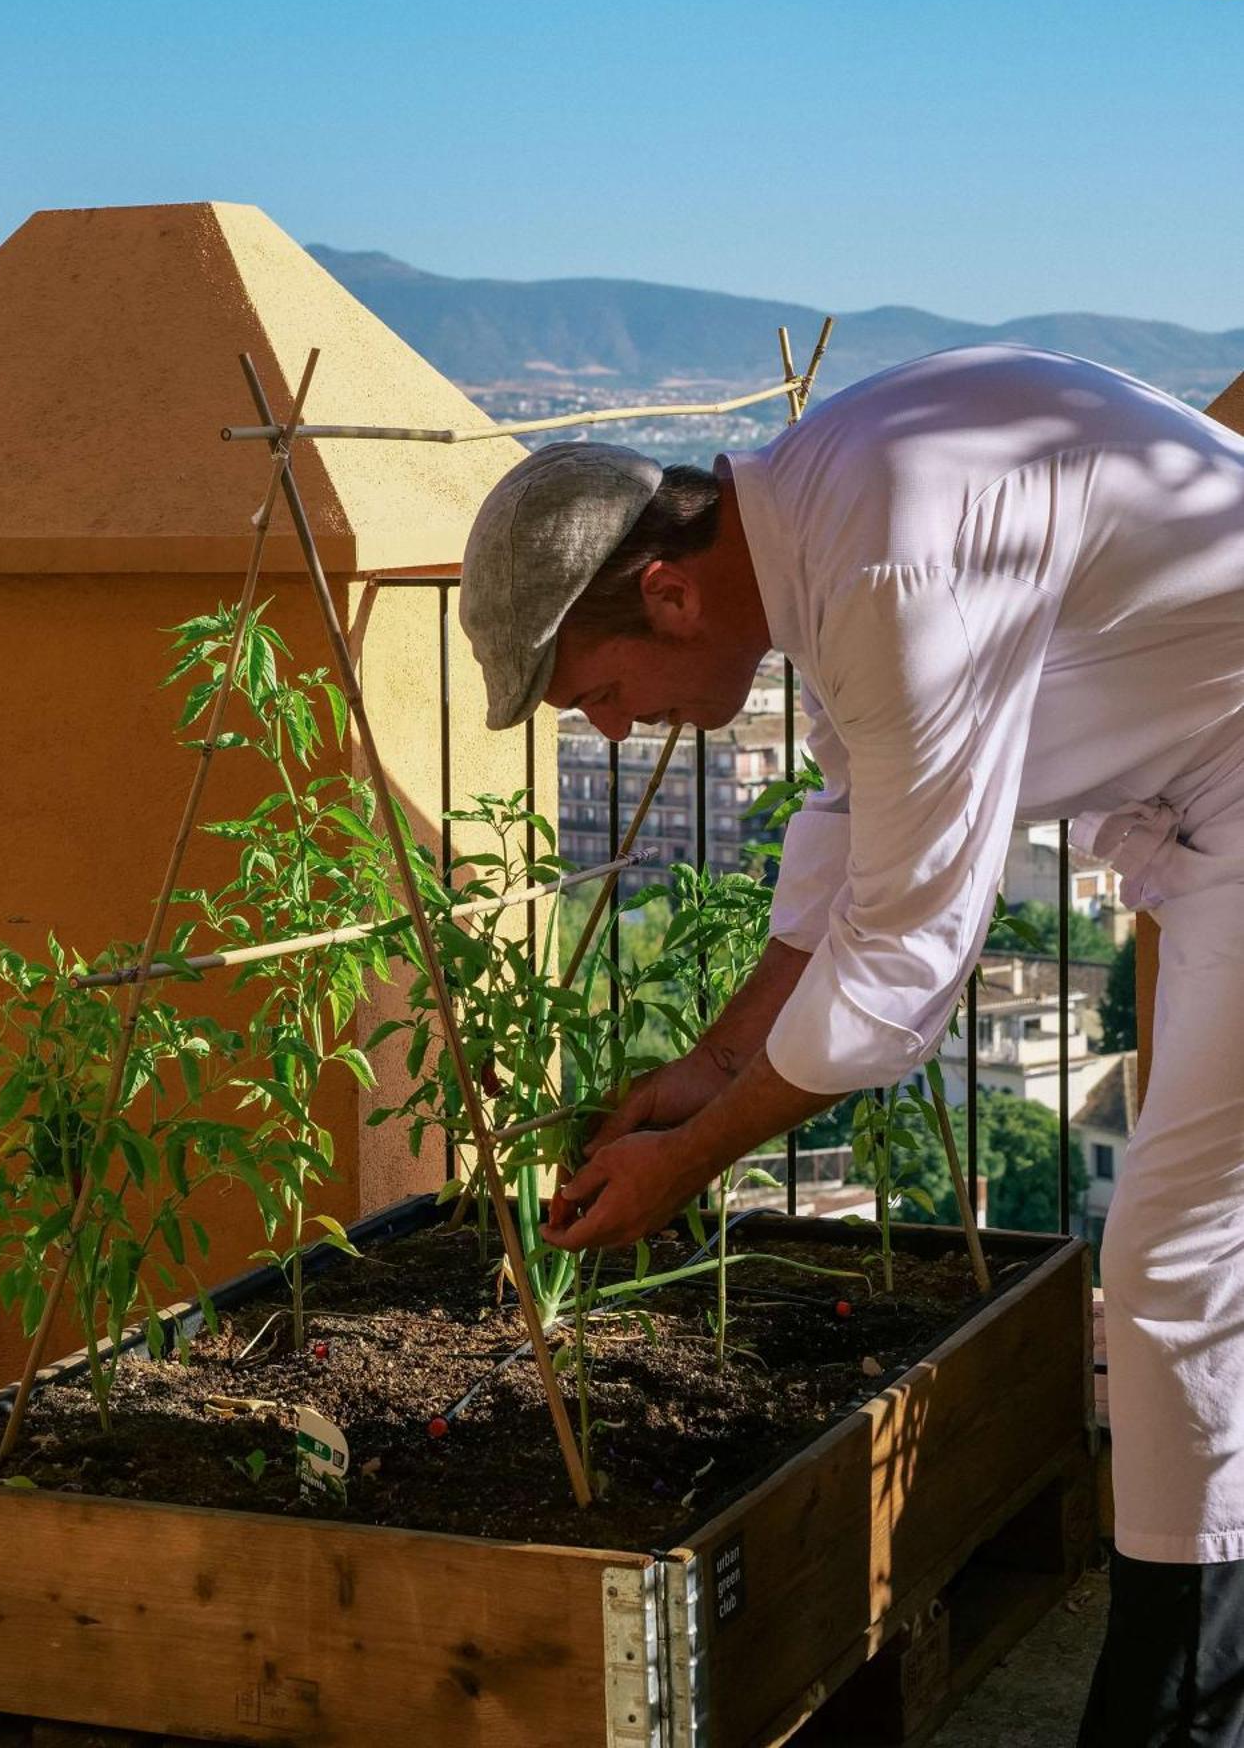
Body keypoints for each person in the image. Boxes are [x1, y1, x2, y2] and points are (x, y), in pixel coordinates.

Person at [458, 343, 1244, 1746]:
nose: (617, 729)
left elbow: (903, 962)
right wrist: (704, 1063)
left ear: (667, 589)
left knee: (1175, 1262)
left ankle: (1183, 1708)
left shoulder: (882, 569)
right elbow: (839, 846)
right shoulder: (820, 513)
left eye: (602, 691)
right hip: (1212, 805)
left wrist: (693, 1158)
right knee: (1198, 1260)